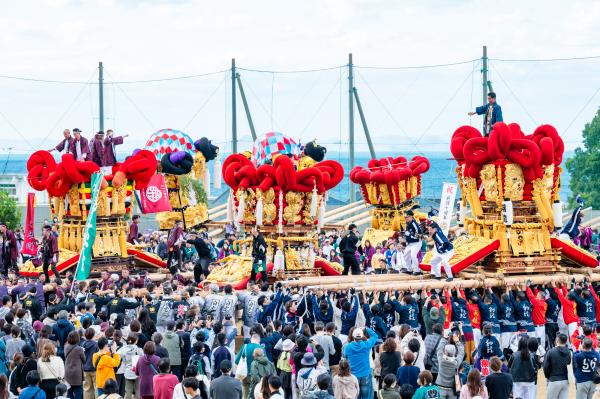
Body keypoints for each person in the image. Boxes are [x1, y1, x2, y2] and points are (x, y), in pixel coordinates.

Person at [343, 327, 378, 399]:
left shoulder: (348, 347)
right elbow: (375, 336)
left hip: (354, 375)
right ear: (362, 336)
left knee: (355, 395)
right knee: (366, 396)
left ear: (353, 336)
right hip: (365, 374)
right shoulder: (367, 345)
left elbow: (345, 357)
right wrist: (366, 329)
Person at [64, 331, 86, 399]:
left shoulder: (66, 347)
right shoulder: (79, 349)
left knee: (69, 393)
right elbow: (84, 360)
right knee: (78, 393)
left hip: (67, 372)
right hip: (77, 374)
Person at [402, 211, 422, 275]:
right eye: (405, 217)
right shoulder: (407, 223)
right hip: (410, 244)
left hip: (416, 243)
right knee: (405, 255)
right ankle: (409, 269)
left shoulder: (414, 224)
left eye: (407, 217)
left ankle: (417, 270)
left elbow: (419, 235)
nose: (405, 218)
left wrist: (410, 235)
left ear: (411, 217)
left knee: (413, 255)